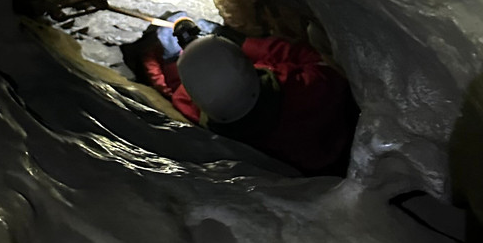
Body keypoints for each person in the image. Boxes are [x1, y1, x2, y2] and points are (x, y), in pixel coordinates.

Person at [138, 14, 356, 176]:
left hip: (310, 166)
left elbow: (178, 89)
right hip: (342, 146)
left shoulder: (202, 113)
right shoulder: (309, 89)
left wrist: (160, 57)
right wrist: (241, 42)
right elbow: (312, 57)